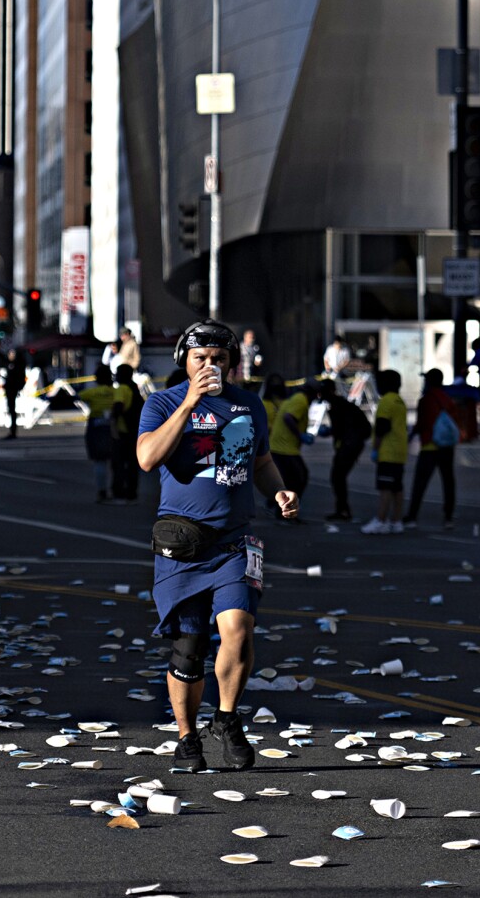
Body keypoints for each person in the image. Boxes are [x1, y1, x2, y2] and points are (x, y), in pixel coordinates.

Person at [136, 320, 297, 773]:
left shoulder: (248, 405)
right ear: (184, 362)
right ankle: (187, 737)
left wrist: (278, 491)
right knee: (189, 647)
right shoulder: (162, 403)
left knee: (239, 628)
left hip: (235, 541)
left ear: (232, 363)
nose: (210, 366)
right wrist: (190, 402)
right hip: (183, 544)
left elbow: (261, 459)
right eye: (200, 358)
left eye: (219, 359)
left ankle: (226, 719)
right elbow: (147, 457)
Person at [405, 369, 462, 528]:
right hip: (446, 447)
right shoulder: (448, 399)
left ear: (429, 381)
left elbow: (421, 423)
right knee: (448, 481)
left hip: (430, 445)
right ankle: (448, 517)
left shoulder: (425, 400)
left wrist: (411, 436)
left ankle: (412, 516)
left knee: (420, 483)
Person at [360, 369, 408, 534]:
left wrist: (375, 449)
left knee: (385, 488)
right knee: (397, 488)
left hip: (388, 452)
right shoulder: (400, 401)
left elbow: (382, 427)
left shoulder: (386, 402)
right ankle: (396, 521)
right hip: (400, 452)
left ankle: (381, 520)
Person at [321, 378, 370, 522]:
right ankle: (343, 509)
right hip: (349, 445)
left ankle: (343, 510)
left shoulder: (337, 406)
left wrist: (330, 433)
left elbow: (340, 429)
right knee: (338, 477)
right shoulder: (339, 404)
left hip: (349, 446)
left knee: (337, 477)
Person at [77, 362, 122, 503]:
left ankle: (102, 491)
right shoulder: (116, 392)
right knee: (116, 461)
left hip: (95, 426)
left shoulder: (92, 392)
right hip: (114, 427)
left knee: (99, 461)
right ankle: (118, 489)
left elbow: (78, 397)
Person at [267, 377, 312, 507]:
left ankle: (277, 505)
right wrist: (300, 435)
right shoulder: (301, 400)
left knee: (289, 479)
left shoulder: (295, 399)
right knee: (298, 479)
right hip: (284, 447)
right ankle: (285, 509)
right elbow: (288, 417)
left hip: (282, 446)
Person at [110, 364, 143, 503]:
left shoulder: (121, 389)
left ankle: (119, 492)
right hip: (135, 430)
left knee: (118, 463)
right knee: (132, 464)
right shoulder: (134, 388)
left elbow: (118, 407)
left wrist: (113, 425)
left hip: (122, 431)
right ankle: (132, 491)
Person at [1, 349, 28, 439]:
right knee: (11, 409)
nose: (11, 356)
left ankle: (13, 431)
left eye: (13, 354)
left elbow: (20, 378)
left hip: (13, 388)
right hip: (9, 388)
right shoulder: (8, 364)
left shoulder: (18, 365)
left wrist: (18, 387)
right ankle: (12, 431)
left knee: (12, 410)